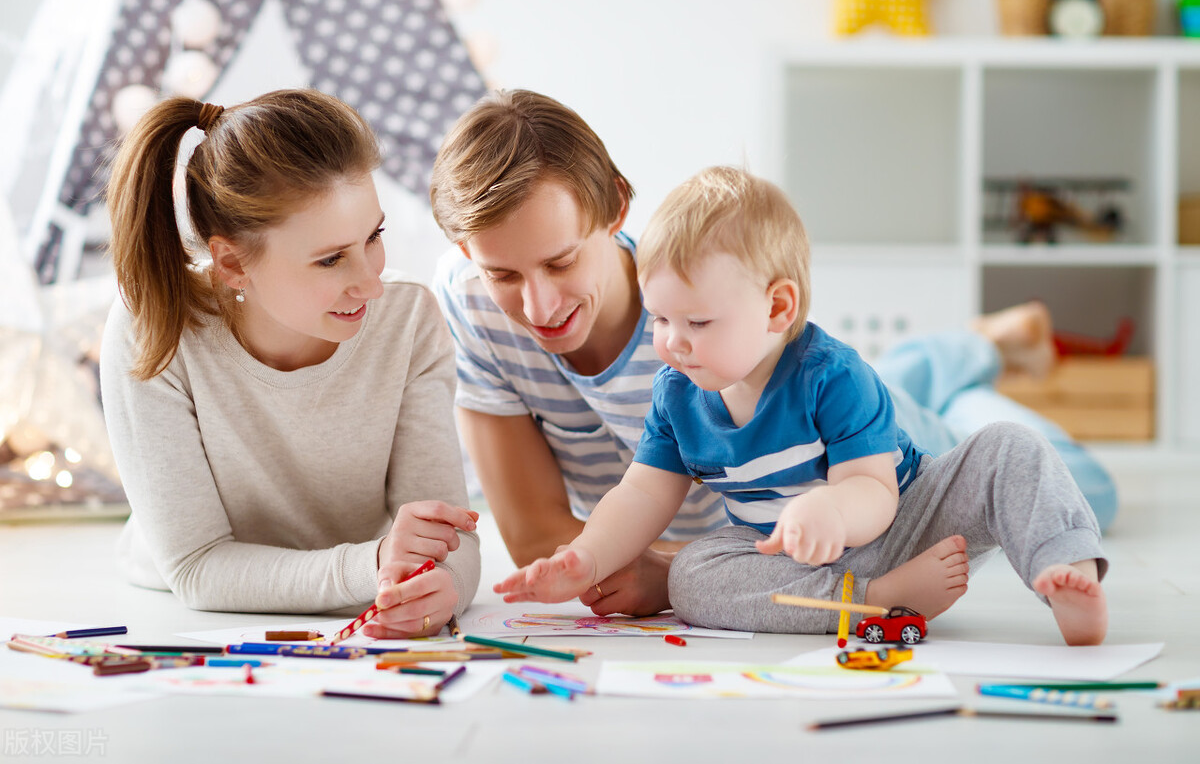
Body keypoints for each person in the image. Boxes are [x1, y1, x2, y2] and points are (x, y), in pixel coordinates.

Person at [429, 89, 1116, 618]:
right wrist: (588, 557)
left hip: (876, 471)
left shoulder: (756, 330)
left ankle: (979, 358)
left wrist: (832, 511)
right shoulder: (678, 373)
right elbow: (628, 499)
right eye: (504, 275)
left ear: (613, 208)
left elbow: (871, 484)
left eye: (560, 261)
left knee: (1050, 470)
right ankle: (963, 364)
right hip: (779, 528)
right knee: (693, 575)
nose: (539, 307)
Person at [100, 90, 479, 637]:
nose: (372, 284)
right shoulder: (152, 328)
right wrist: (371, 565)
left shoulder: (409, 320)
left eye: (373, 236)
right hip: (179, 622)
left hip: (351, 610)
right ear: (232, 262)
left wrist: (444, 588)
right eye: (330, 259)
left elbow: (448, 536)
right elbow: (197, 567)